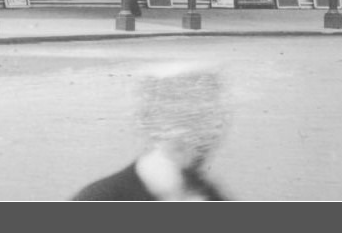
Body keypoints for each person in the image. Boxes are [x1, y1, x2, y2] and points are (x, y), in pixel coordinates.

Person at [73, 61, 231, 200]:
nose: (195, 135)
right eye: (181, 114)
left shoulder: (214, 197)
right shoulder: (99, 198)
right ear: (148, 119)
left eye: (205, 116)